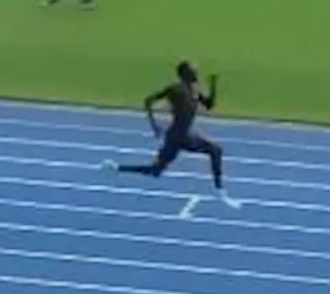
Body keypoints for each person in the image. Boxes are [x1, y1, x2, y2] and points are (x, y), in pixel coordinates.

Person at [103, 61, 241, 209]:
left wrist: (213, 85)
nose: (196, 73)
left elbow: (209, 105)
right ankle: (116, 168)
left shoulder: (194, 90)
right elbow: (148, 100)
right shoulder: (175, 89)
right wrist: (154, 125)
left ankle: (220, 191)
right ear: (185, 74)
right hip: (176, 136)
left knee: (214, 151)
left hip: (186, 135)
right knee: (156, 170)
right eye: (193, 71)